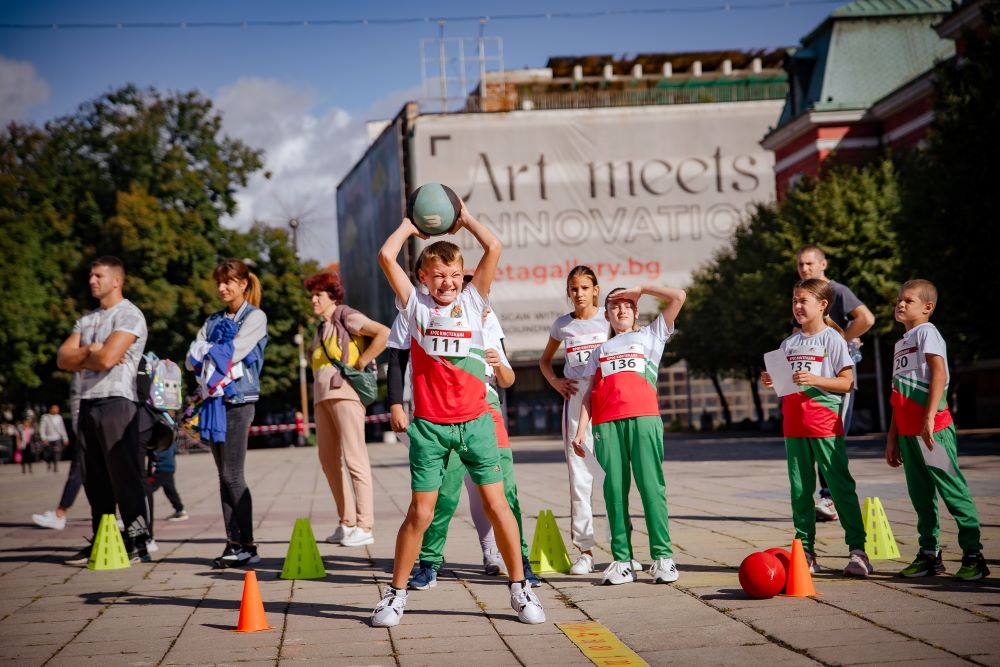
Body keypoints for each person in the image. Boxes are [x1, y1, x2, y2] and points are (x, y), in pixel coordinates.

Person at [371, 207, 545, 628]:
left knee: (498, 505)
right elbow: (385, 256)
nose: (447, 282)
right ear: (423, 277)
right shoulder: (414, 306)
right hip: (431, 428)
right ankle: (395, 596)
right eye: (438, 275)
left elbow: (494, 246)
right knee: (421, 513)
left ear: (463, 277)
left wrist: (464, 217)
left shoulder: (473, 300)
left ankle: (520, 588)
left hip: (477, 422)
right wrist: (409, 226)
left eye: (454, 274)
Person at [401, 282, 540, 590]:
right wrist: (398, 403)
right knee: (445, 492)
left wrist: (498, 365)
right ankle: (429, 562)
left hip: (486, 405)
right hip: (446, 409)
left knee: (506, 490)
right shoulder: (430, 315)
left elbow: (508, 378)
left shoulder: (487, 322)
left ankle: (520, 562)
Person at [570, 284, 685, 585]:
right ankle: (622, 561)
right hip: (606, 425)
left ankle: (663, 558)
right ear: (606, 314)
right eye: (614, 305)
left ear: (635, 310)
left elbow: (678, 296)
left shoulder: (651, 335)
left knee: (651, 488)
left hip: (644, 419)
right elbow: (588, 395)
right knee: (614, 492)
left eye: (627, 304)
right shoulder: (599, 352)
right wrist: (581, 431)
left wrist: (642, 289)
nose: (621, 309)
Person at [760, 278, 872, 577]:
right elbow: (787, 386)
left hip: (823, 423)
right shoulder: (788, 343)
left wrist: (815, 379)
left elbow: (846, 382)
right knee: (800, 490)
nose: (797, 306)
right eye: (794, 301)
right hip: (794, 424)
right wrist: (773, 381)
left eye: (803, 301)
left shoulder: (833, 339)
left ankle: (858, 551)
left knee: (840, 486)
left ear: (822, 305)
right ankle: (806, 552)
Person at [885, 279, 988, 581]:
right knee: (921, 497)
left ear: (927, 307)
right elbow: (898, 395)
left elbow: (939, 374)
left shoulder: (927, 332)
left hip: (933, 432)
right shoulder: (900, 344)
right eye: (899, 300)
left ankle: (974, 556)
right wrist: (892, 438)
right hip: (908, 435)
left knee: (952, 491)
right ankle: (929, 555)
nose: (900, 304)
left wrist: (929, 416)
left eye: (908, 300)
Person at [56, 256, 152, 565]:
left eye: (98, 276)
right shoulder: (87, 320)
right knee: (93, 478)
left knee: (125, 476)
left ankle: (138, 540)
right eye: (91, 275)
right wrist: (90, 350)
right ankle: (102, 538)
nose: (92, 280)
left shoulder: (130, 315)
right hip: (87, 402)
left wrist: (87, 356)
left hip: (117, 401)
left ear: (117, 281)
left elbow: (108, 359)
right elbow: (62, 358)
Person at [187, 259, 267, 569]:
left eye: (228, 282)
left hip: (239, 401)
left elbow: (234, 352)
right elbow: (190, 359)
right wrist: (210, 354)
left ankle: (247, 545)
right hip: (213, 402)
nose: (222, 288)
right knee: (223, 476)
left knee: (233, 474)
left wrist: (208, 353)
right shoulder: (212, 320)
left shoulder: (255, 316)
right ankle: (234, 543)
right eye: (218, 282)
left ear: (243, 284)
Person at [304, 271, 389, 548]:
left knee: (355, 458)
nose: (313, 300)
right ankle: (347, 521)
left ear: (333, 296)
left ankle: (365, 525)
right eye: (312, 295)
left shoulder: (346, 316)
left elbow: (383, 333)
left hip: (345, 394)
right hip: (322, 397)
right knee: (328, 460)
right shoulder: (321, 328)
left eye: (318, 295)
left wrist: (361, 362)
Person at [796, 244, 875, 522]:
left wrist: (840, 338)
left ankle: (832, 497)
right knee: (813, 441)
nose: (804, 268)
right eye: (800, 264)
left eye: (809, 263)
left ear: (823, 264)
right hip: (811, 383)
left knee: (830, 438)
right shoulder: (802, 297)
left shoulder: (837, 291)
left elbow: (866, 318)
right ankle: (826, 497)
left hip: (833, 381)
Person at [539, 266, 607, 575]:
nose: (579, 293)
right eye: (574, 288)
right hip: (575, 402)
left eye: (584, 287)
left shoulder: (608, 319)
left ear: (595, 289)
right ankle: (585, 551)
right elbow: (544, 361)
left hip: (606, 400)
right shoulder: (562, 325)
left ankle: (623, 549)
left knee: (612, 475)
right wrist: (555, 382)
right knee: (580, 477)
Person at [32, 377, 84, 531]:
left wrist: (72, 434)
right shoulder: (46, 417)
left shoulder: (88, 369)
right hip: (85, 430)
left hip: (89, 430)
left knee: (77, 472)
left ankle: (60, 514)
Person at [147, 440, 188, 523]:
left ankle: (139, 513)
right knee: (169, 490)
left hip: (161, 468)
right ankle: (180, 510)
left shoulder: (159, 438)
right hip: (169, 467)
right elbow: (174, 450)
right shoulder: (170, 437)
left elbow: (155, 453)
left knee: (146, 489)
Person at [39, 405, 69, 473]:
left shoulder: (59, 417)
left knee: (57, 452)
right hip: (48, 438)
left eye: (57, 409)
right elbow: (42, 428)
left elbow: (62, 428)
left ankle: (56, 466)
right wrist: (43, 438)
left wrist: (65, 438)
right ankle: (48, 462)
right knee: (48, 454)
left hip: (57, 437)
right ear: (51, 409)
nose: (57, 410)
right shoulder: (45, 417)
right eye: (55, 408)